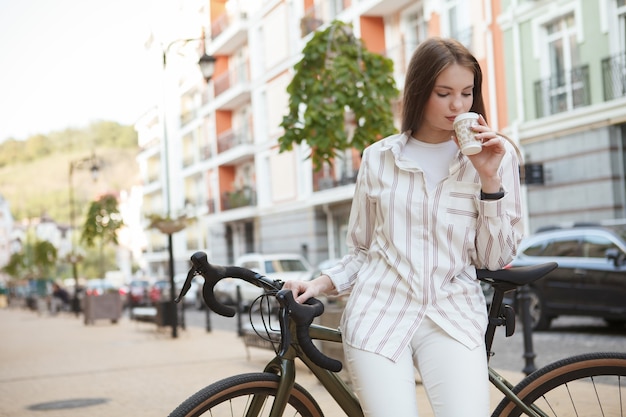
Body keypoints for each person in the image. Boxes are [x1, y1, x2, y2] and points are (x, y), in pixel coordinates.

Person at [283, 37, 524, 417]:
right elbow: (363, 251)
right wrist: (318, 284)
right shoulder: (378, 158)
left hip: (453, 316)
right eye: (443, 93)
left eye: (466, 92)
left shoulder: (496, 154)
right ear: (418, 91)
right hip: (379, 313)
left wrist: (489, 181)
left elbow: (494, 257)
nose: (458, 105)